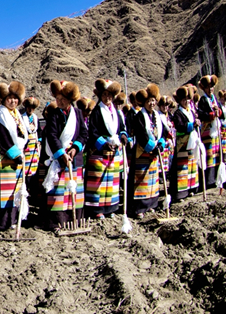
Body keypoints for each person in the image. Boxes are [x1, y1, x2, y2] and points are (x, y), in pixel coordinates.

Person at [43, 81, 88, 230]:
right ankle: (56, 222)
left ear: (70, 99)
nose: (60, 101)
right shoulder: (54, 115)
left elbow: (83, 133)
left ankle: (73, 219)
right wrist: (61, 153)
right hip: (60, 158)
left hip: (74, 158)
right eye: (57, 98)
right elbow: (52, 135)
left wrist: (75, 148)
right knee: (59, 193)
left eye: (63, 98)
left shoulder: (78, 114)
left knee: (73, 192)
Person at [0, 81, 31, 231]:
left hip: (19, 156)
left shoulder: (17, 115)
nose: (12, 101)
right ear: (3, 99)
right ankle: (4, 222)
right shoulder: (1, 115)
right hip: (6, 158)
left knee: (17, 189)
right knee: (6, 190)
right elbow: (3, 137)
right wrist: (15, 154)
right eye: (9, 98)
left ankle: (16, 218)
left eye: (15, 98)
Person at [85, 79, 127, 219]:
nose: (107, 98)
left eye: (110, 95)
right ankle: (97, 209)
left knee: (112, 181)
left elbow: (121, 128)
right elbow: (93, 132)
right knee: (99, 182)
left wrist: (123, 136)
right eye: (104, 94)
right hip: (100, 152)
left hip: (114, 151)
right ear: (100, 95)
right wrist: (103, 144)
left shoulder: (116, 112)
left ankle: (110, 207)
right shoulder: (97, 111)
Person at [131, 84, 168, 218]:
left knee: (153, 180)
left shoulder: (158, 116)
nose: (151, 103)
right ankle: (140, 207)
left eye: (153, 101)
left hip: (154, 152)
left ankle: (151, 205)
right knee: (141, 180)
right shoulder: (139, 116)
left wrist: (161, 144)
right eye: (148, 101)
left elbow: (163, 132)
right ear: (144, 103)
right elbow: (141, 135)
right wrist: (152, 147)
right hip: (143, 151)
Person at [170, 86, 200, 200]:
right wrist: (192, 125)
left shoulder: (191, 111)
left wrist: (197, 122)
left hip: (191, 143)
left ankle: (191, 188)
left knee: (191, 166)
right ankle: (181, 192)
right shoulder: (178, 113)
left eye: (188, 99)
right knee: (182, 169)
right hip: (182, 144)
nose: (186, 101)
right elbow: (179, 126)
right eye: (184, 99)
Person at [197, 75, 222, 188]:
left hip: (215, 131)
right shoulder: (203, 100)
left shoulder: (214, 99)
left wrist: (219, 112)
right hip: (207, 131)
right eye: (208, 87)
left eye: (211, 87)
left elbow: (220, 113)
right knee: (209, 155)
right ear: (204, 88)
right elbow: (201, 114)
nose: (210, 89)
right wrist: (211, 115)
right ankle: (208, 180)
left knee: (216, 154)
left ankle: (216, 177)